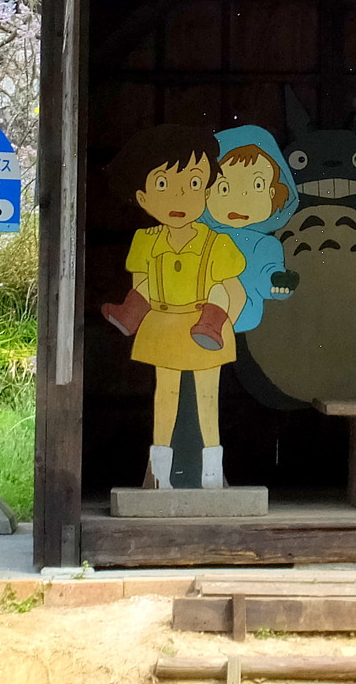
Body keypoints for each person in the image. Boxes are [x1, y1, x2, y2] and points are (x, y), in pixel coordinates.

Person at [100, 123, 245, 489]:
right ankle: (159, 474)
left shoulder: (217, 243)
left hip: (205, 327)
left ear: (209, 190)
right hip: (164, 325)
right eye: (163, 185)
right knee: (164, 396)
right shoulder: (145, 241)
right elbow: (141, 284)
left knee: (207, 399)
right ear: (143, 197)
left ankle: (212, 475)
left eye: (194, 184)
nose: (179, 197)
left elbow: (235, 292)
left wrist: (227, 323)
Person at [202, 125, 301, 335]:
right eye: (224, 188)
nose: (239, 199)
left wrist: (278, 283)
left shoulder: (265, 245)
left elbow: (267, 277)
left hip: (241, 317)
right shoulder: (201, 236)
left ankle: (212, 325)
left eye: (256, 186)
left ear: (274, 191)